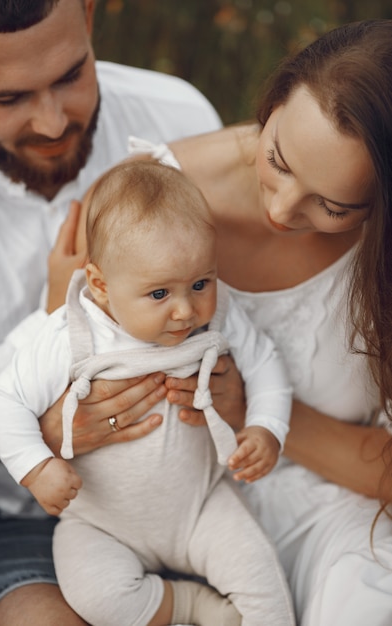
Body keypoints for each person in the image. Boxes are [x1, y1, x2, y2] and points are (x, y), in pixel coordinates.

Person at [58, 18, 392, 626]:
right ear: (273, 101)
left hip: (330, 515)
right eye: (278, 160)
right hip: (148, 510)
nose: (282, 210)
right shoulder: (142, 202)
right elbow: (55, 396)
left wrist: (252, 412)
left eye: (334, 206)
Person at [0, 1, 223, 625]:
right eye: (8, 100)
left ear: (88, 15)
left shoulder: (179, 118)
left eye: (70, 76)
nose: (54, 122)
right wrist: (54, 319)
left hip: (192, 492)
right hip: (8, 520)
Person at [0, 160, 294, 626]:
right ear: (101, 286)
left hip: (201, 505)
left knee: (263, 581)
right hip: (102, 523)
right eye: (159, 295)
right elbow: (4, 400)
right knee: (96, 596)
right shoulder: (72, 334)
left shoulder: (218, 313)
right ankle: (187, 604)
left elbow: (267, 363)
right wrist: (37, 466)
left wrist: (266, 425)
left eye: (199, 283)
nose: (186, 310)